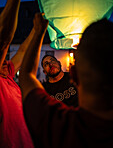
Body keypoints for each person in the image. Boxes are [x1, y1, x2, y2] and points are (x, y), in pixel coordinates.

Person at [19, 13, 113, 148]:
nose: (50, 63)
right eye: (46, 63)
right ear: (44, 71)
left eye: (52, 60)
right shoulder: (45, 88)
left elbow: (26, 75)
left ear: (73, 75)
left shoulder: (58, 126)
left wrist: (39, 32)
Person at [0, 0, 34, 147]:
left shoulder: (8, 77)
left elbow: (22, 51)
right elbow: (4, 39)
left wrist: (38, 28)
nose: (6, 61)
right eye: (3, 58)